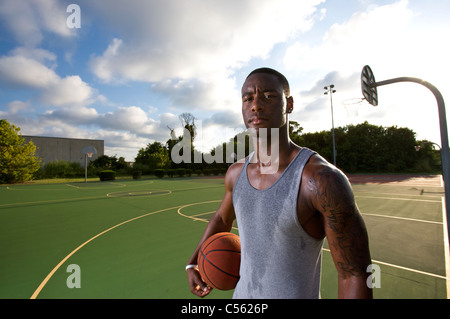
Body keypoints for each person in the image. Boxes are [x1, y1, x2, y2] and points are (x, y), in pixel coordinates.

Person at [186, 67, 372, 299]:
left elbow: (354, 274)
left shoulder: (320, 179)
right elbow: (222, 218)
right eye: (248, 98)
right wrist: (193, 263)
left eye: (269, 96)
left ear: (289, 104)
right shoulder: (235, 173)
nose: (256, 105)